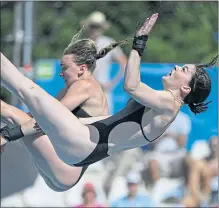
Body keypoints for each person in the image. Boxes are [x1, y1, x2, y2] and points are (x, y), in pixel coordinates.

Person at [0, 13, 216, 192]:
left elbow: (130, 85)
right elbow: (107, 121)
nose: (177, 68)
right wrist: (10, 134)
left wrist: (139, 43)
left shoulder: (170, 104)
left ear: (186, 88)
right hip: (80, 149)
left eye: (184, 70)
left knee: (25, 88)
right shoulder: (158, 107)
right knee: (25, 95)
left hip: (82, 145)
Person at [0, 32, 125, 191]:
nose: (61, 73)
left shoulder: (86, 86)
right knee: (9, 112)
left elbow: (47, 121)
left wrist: (7, 136)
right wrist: (6, 132)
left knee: (7, 109)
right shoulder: (69, 90)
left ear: (82, 69)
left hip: (66, 167)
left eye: (64, 68)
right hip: (64, 171)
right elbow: (37, 118)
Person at [80, 11, 127, 113]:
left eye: (98, 26)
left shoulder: (108, 43)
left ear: (102, 28)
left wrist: (112, 83)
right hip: (84, 91)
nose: (95, 29)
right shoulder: (81, 45)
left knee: (104, 123)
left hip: (103, 92)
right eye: (93, 26)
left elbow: (124, 63)